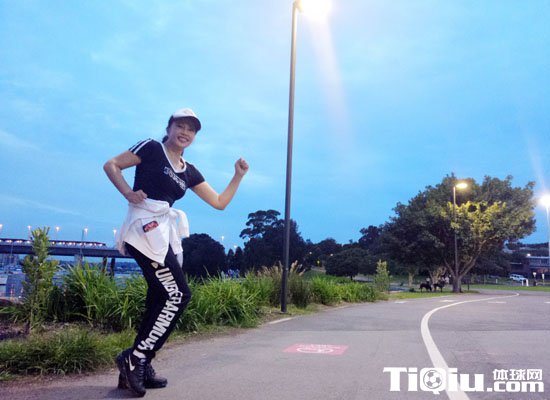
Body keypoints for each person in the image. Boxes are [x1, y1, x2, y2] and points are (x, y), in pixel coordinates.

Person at [103, 108, 248, 397]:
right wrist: (128, 193)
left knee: (160, 296)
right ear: (169, 128)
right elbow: (112, 165)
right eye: (180, 126)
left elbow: (219, 202)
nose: (185, 132)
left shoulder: (189, 170)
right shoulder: (151, 148)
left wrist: (238, 175)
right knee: (178, 295)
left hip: (162, 235)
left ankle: (138, 361)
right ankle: (136, 359)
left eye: (191, 129)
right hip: (143, 229)